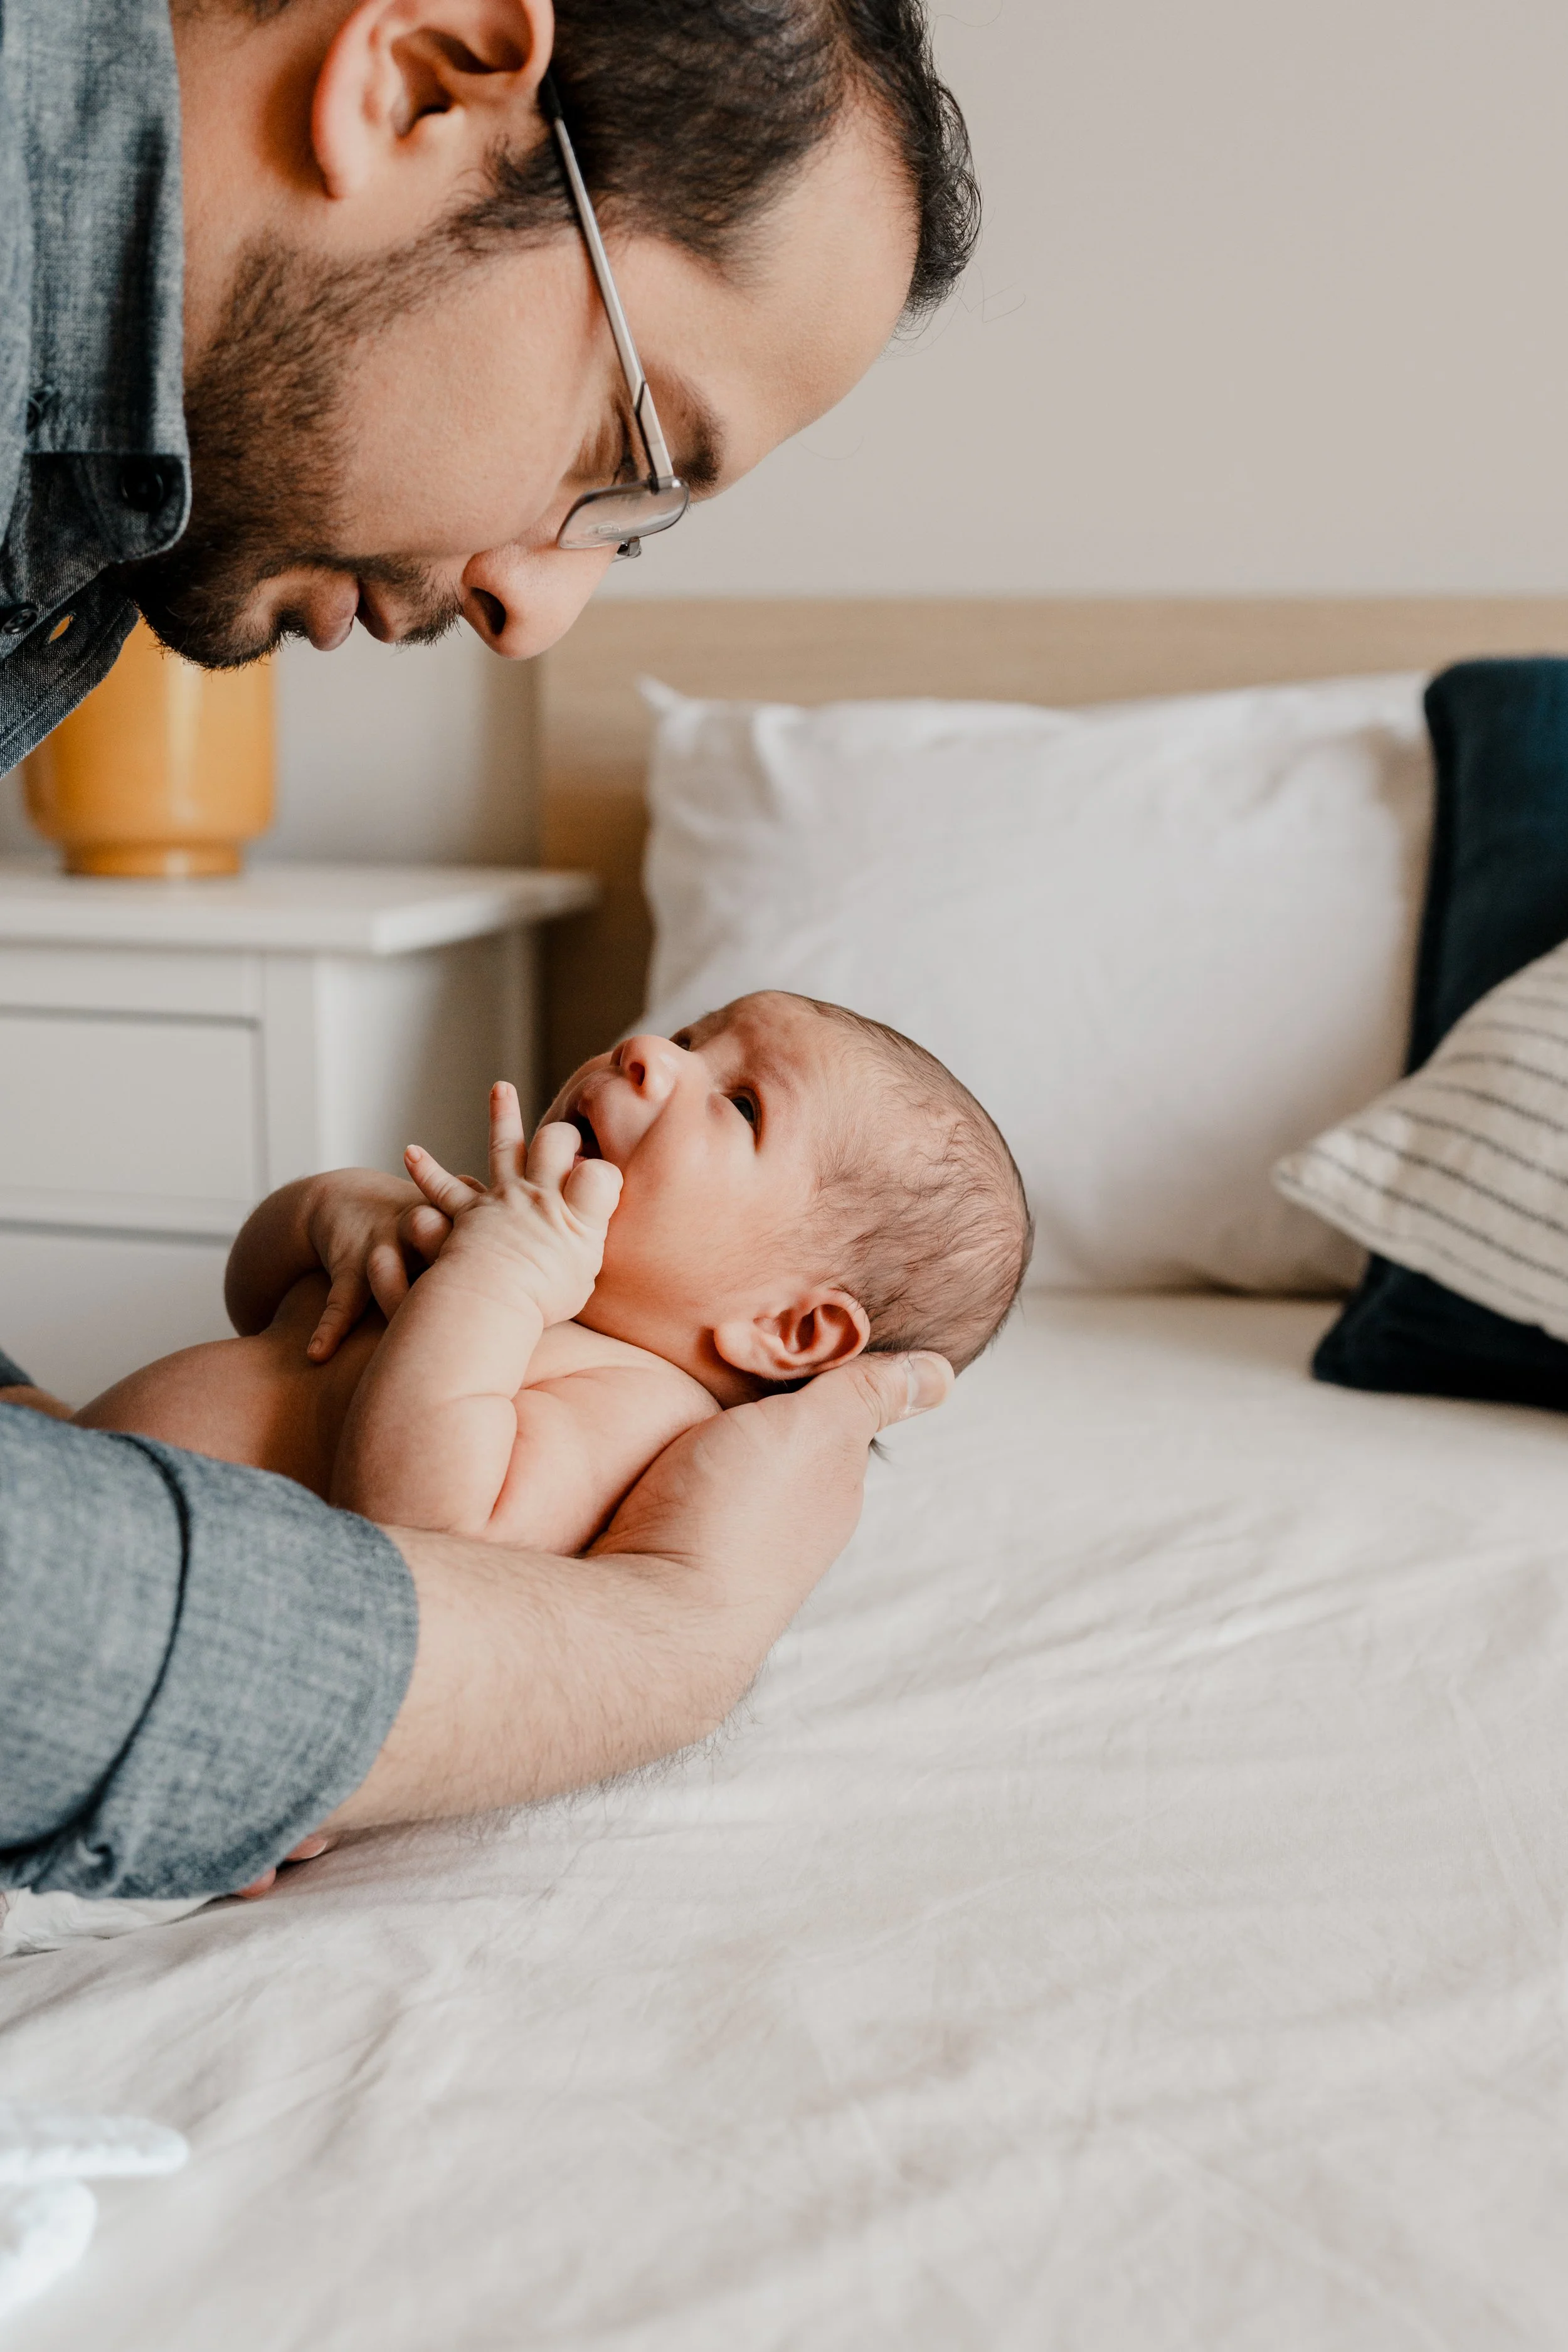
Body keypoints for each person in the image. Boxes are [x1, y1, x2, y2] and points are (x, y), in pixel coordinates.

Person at [0, 0, 978, 1900]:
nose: (540, 608)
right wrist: (655, 1645)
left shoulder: (74, 559)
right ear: (423, 72)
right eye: (626, 451)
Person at [73, 994, 1033, 1547]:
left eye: (740, 1106)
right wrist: (337, 1211)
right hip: (69, 1486)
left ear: (792, 1330)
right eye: (694, 1035)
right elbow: (254, 1299)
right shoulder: (493, 1243)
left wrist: (499, 1281)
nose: (650, 1050)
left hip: (136, 1604)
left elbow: (423, 1534)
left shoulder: (634, 1408)